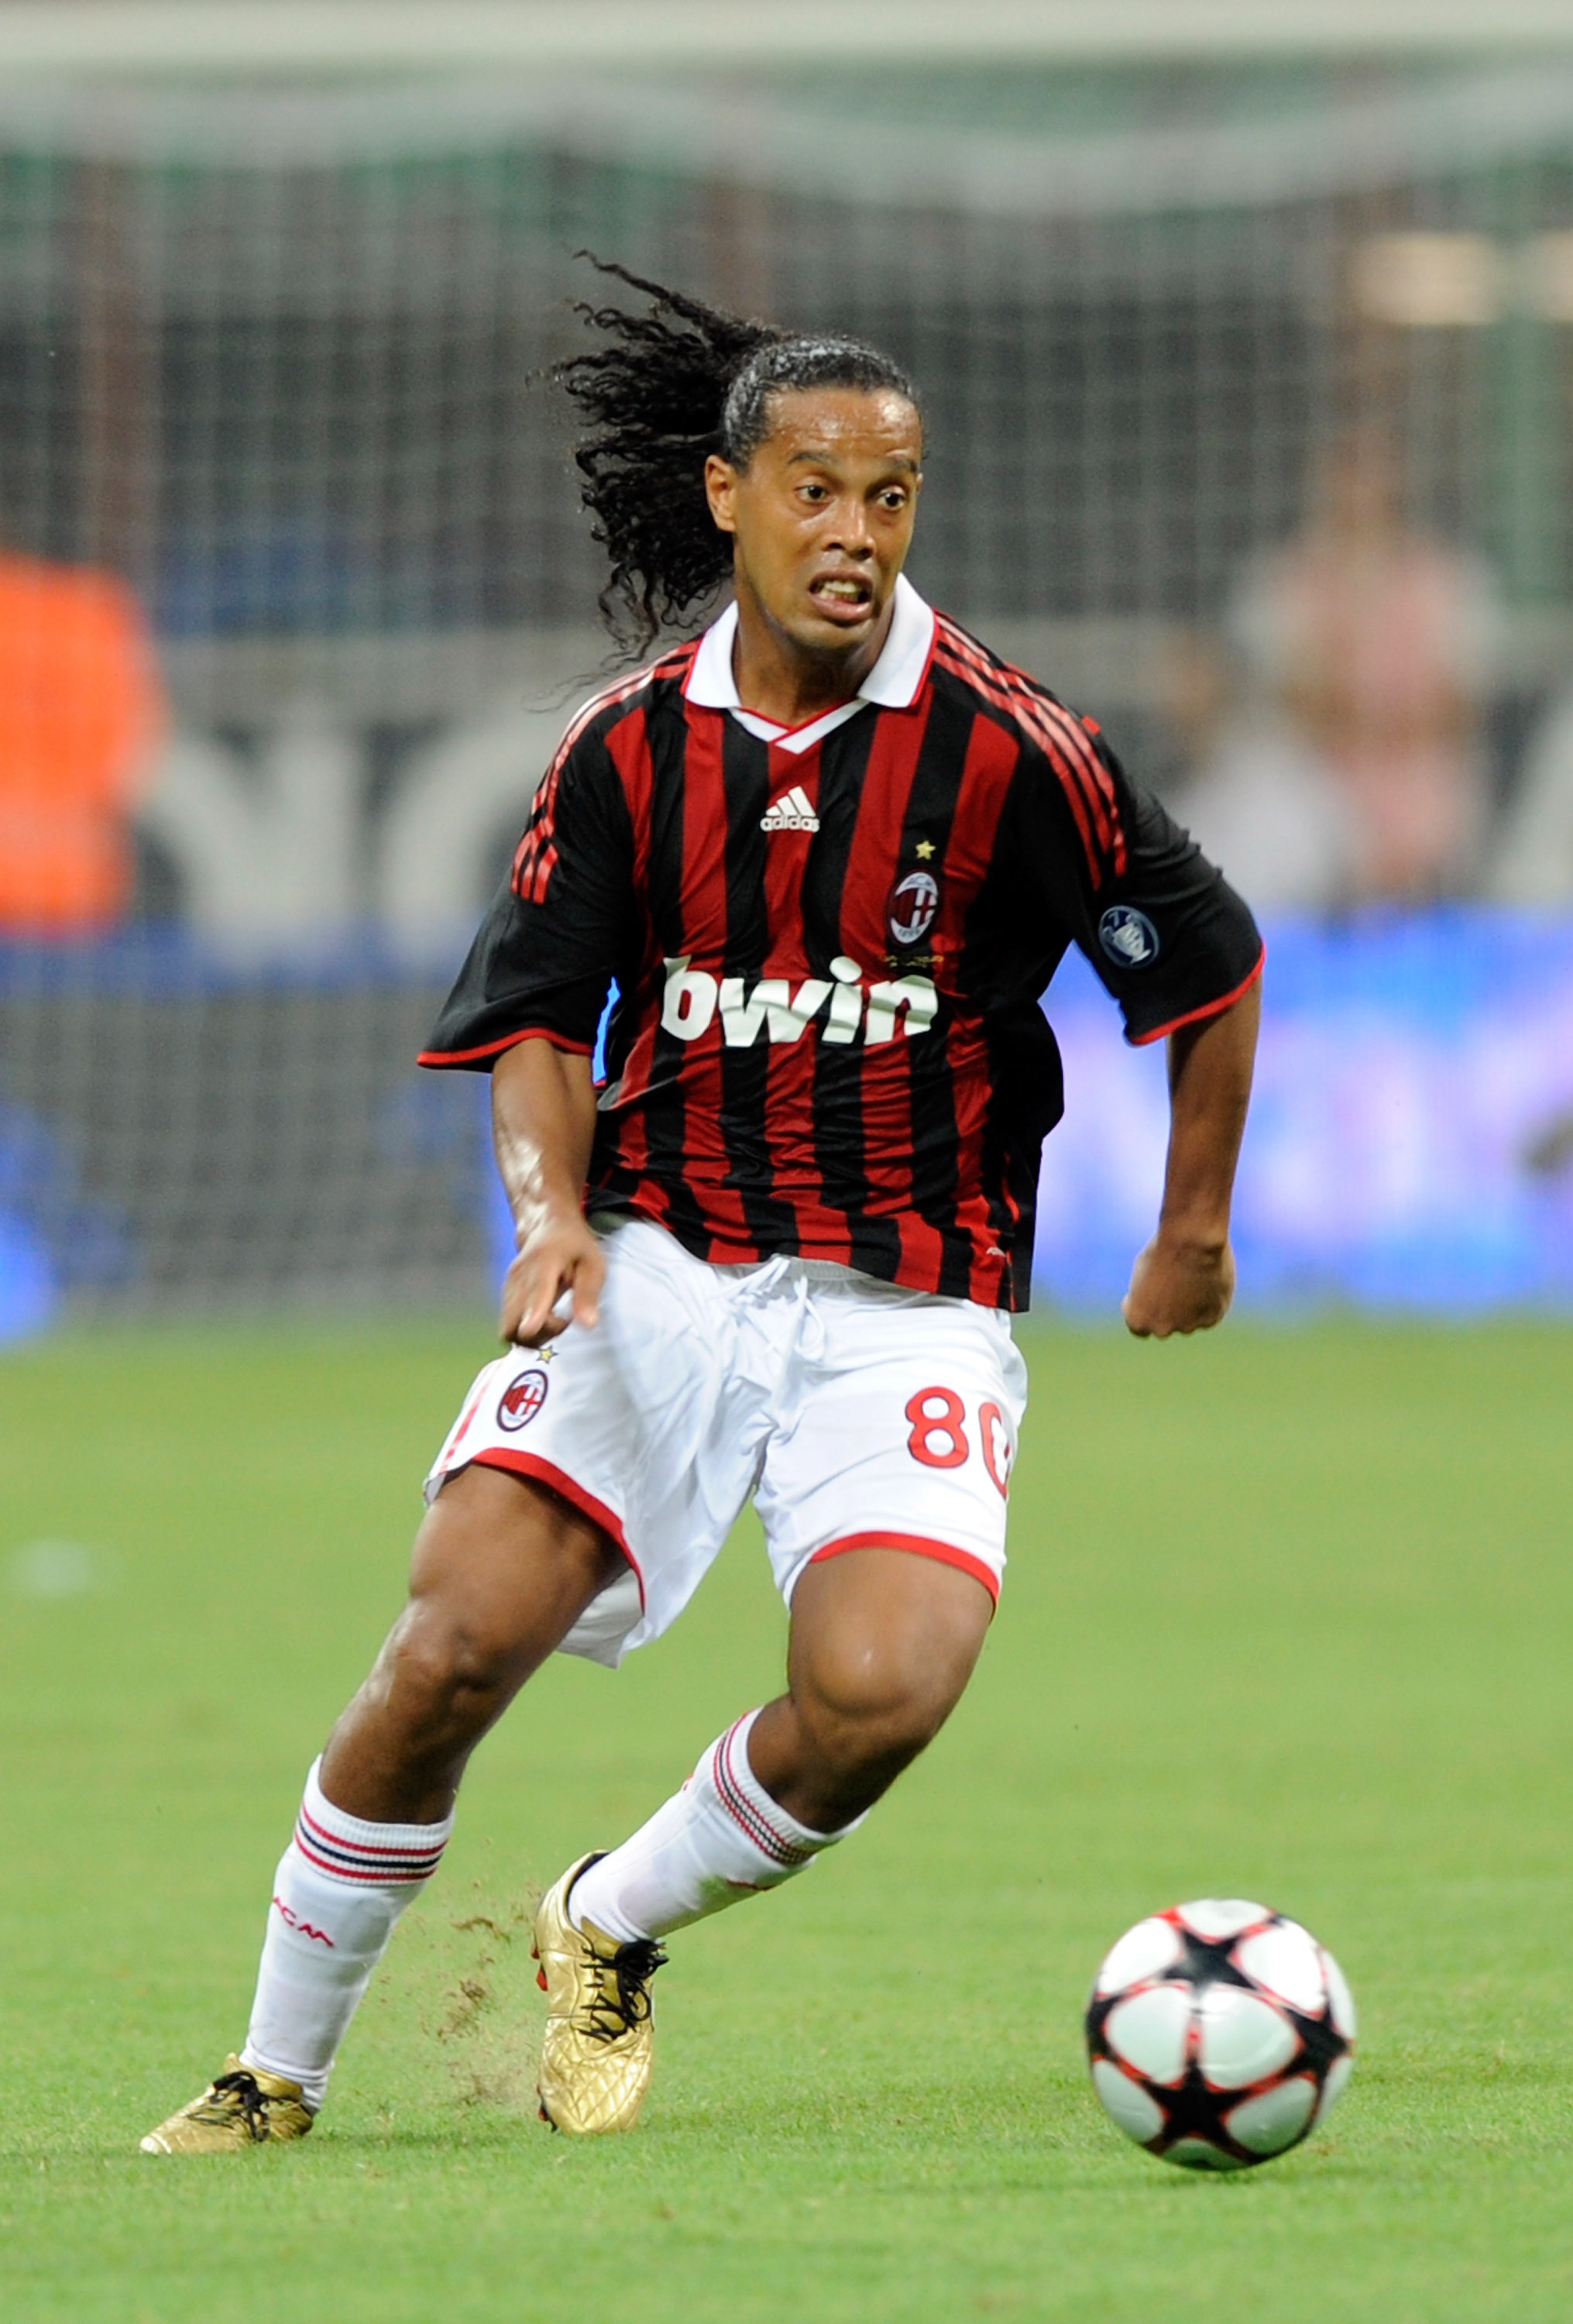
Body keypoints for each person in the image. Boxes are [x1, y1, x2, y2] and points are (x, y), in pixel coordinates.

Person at [141, 265, 1262, 2154]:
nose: (853, 532)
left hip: (910, 1295)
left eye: (889, 495)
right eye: (813, 487)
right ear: (727, 493)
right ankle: (275, 2068)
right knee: (447, 1648)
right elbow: (532, 1024)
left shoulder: (1010, 748)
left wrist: (1192, 1227)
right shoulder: (625, 750)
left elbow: (1206, 968)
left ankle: (610, 1913)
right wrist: (548, 1215)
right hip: (658, 1264)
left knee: (882, 1693)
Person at [1207, 424, 1499, 905]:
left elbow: (1462, 705)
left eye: (1373, 477)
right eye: (1346, 476)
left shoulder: (1447, 577)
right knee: (1257, 793)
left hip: (1425, 791)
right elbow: (1292, 704)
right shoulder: (1281, 580)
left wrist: (1379, 721)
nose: (1359, 493)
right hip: (1314, 795)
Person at [0, 548, 164, 933]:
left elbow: (131, 755)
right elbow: (136, 753)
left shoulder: (94, 614)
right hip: (78, 887)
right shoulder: (96, 611)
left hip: (77, 896)